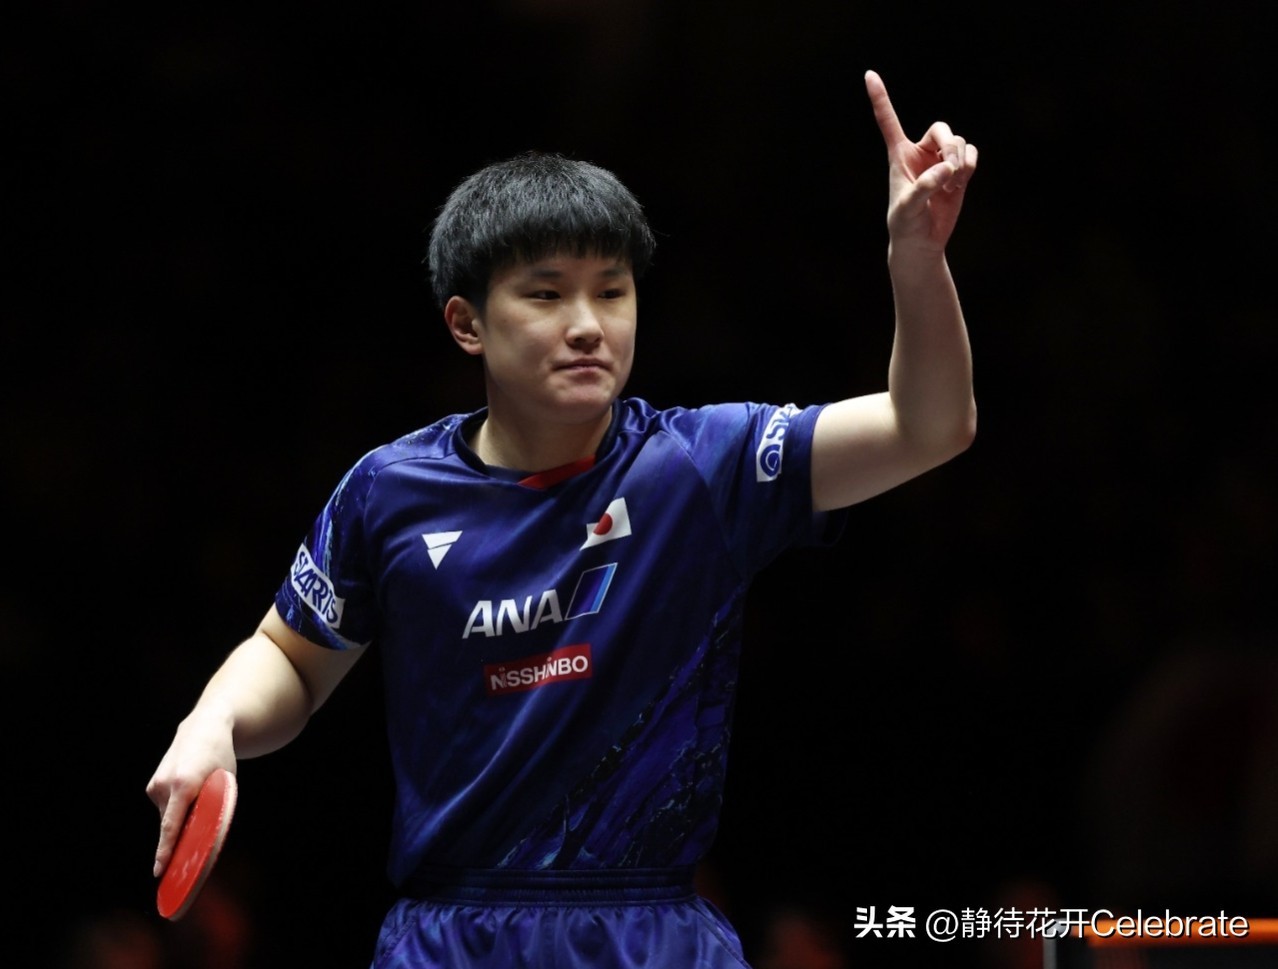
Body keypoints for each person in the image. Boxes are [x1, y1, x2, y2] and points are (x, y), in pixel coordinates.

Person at [147, 70, 978, 968]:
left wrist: (916, 258)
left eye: (611, 291)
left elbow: (927, 426)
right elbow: (291, 659)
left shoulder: (702, 466)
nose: (588, 324)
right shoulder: (388, 492)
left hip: (651, 932)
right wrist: (213, 720)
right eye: (545, 294)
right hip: (453, 937)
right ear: (467, 323)